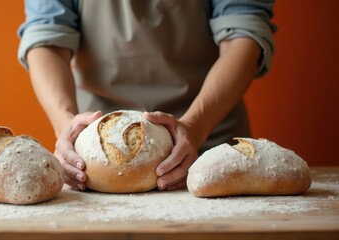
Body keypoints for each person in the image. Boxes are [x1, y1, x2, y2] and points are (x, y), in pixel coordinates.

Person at [17, 0, 276, 191]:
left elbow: (243, 34)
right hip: (94, 158)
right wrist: (67, 126)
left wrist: (195, 127)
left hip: (211, 146)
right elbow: (47, 38)